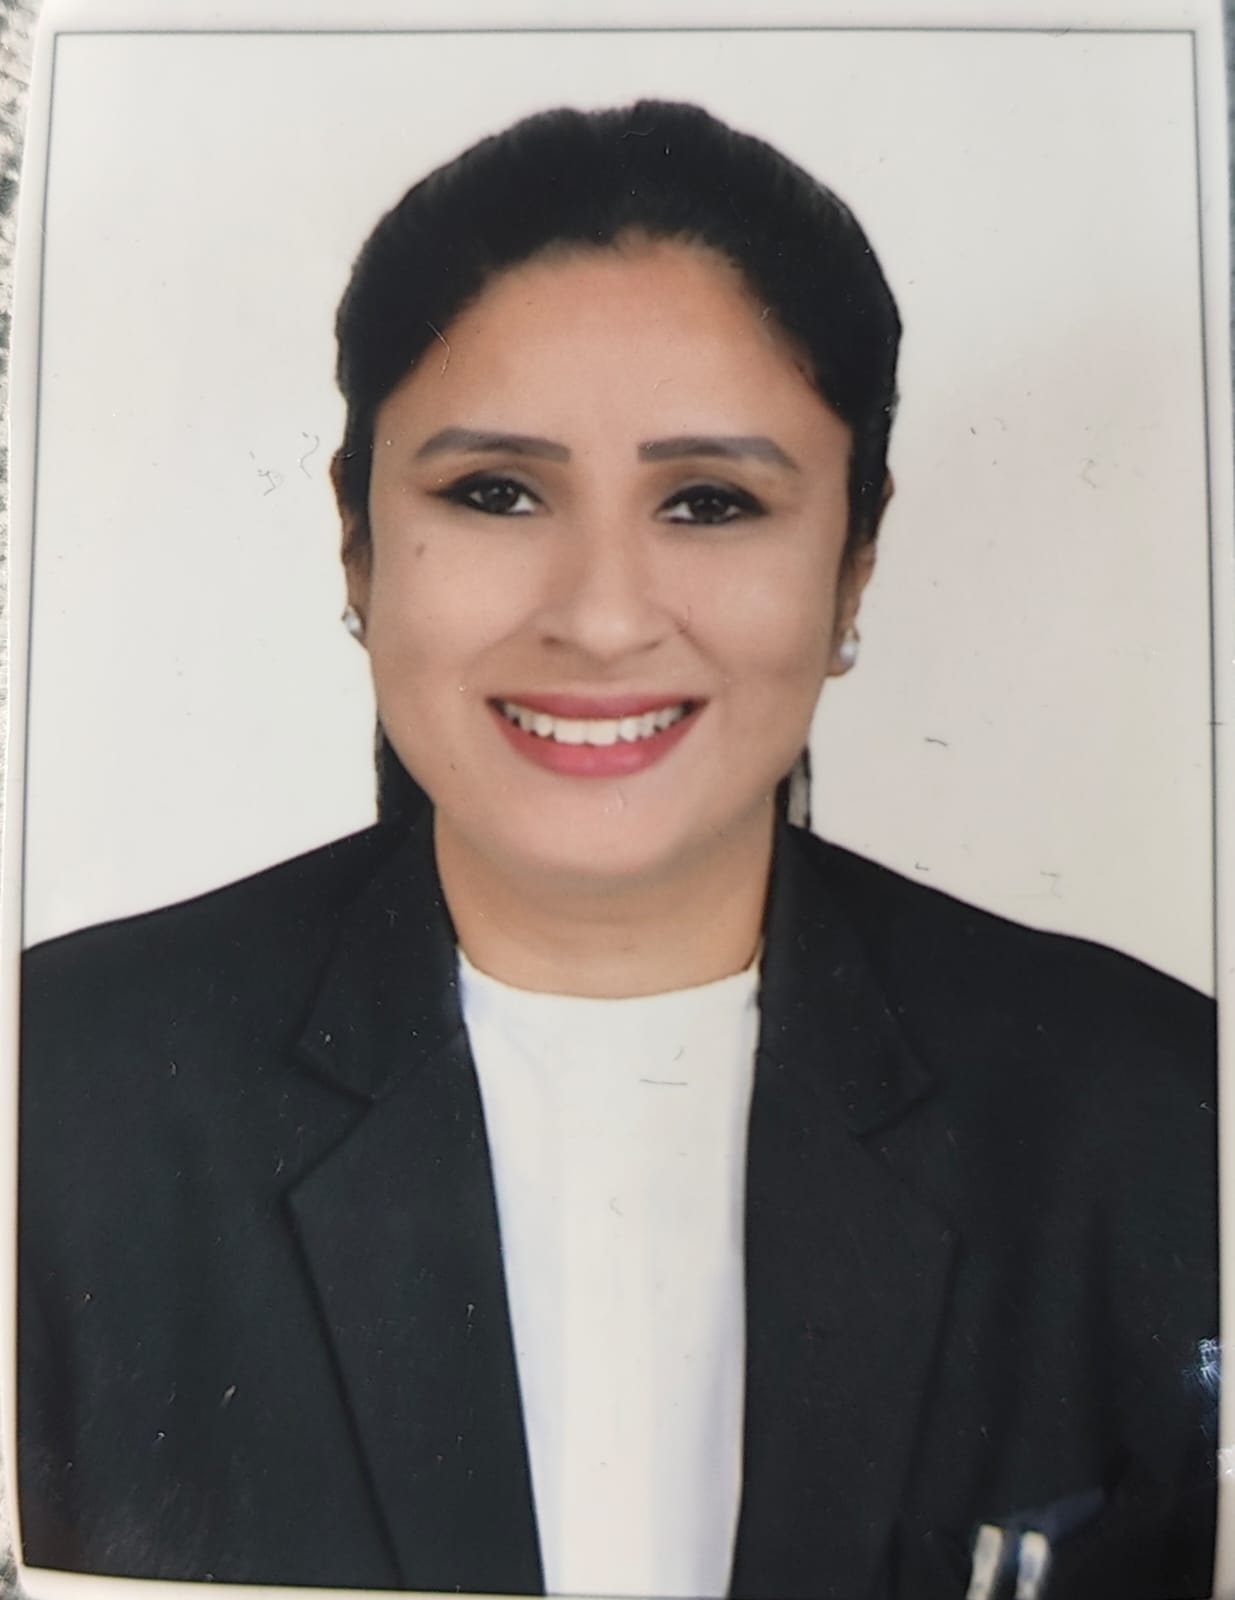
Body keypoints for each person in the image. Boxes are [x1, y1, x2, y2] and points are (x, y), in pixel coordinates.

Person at [18, 101, 1217, 1600]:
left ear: (853, 564)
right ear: (355, 542)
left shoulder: (1159, 1116)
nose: (599, 618)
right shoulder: (52, 1099)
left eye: (710, 502)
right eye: (495, 493)